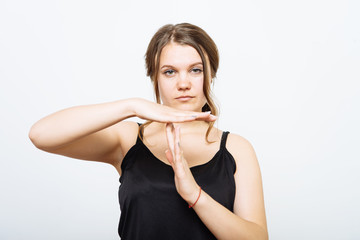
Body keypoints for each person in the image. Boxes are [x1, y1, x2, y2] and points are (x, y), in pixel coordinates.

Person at [29, 23, 268, 240]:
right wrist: (132, 106)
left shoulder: (236, 148)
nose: (183, 83)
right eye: (169, 72)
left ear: (211, 73)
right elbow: (41, 135)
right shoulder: (129, 139)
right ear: (155, 77)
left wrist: (195, 195)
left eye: (195, 70)